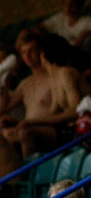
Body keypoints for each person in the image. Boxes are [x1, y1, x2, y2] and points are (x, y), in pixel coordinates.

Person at [0, 32, 51, 173]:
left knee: (24, 133)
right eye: (23, 52)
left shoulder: (52, 77)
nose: (27, 56)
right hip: (28, 128)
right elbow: (3, 107)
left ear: (41, 51)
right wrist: (6, 77)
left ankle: (28, 176)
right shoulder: (25, 84)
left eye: (31, 51)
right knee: (5, 133)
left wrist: (30, 122)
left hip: (49, 129)